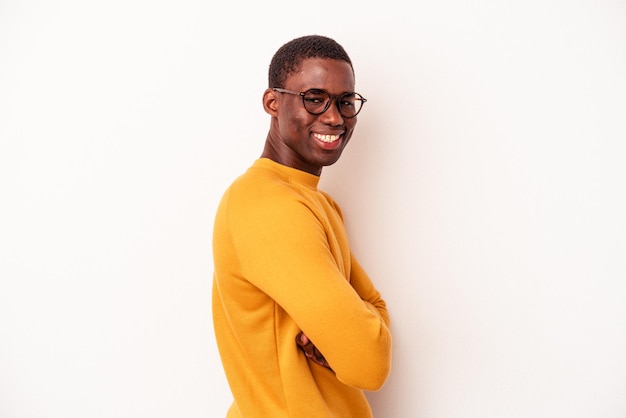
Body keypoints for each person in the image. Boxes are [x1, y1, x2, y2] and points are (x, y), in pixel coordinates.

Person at [211, 34, 392, 418]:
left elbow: (374, 310)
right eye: (314, 98)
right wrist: (354, 335)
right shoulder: (267, 204)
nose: (334, 117)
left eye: (346, 102)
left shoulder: (319, 203)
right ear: (272, 103)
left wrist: (357, 329)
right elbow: (369, 360)